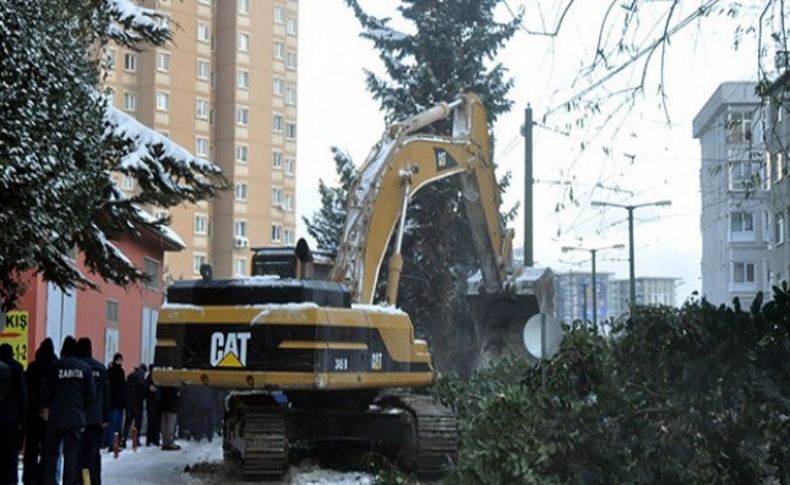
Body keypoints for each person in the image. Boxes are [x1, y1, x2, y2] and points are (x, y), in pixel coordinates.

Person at [40, 336, 94, 485]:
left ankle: (49, 482)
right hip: (75, 418)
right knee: (71, 457)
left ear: (63, 349)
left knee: (51, 455)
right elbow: (90, 396)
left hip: (55, 418)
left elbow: (44, 393)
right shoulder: (85, 369)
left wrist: (46, 407)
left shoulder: (54, 367)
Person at [23, 338, 57, 485]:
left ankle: (30, 478)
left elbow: (27, 392)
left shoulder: (32, 368)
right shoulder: (55, 369)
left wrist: (35, 408)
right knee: (48, 451)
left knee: (31, 450)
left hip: (32, 416)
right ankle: (46, 478)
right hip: (50, 417)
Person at [76, 338, 108, 485]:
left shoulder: (78, 368)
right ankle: (93, 481)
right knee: (93, 454)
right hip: (96, 419)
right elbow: (107, 395)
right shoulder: (100, 368)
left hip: (78, 417)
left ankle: (80, 481)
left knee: (78, 455)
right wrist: (105, 417)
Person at [0, 343, 28, 485]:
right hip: (12, 421)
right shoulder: (17, 369)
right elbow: (23, 397)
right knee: (11, 457)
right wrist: (24, 422)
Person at [122, 364, 146, 448]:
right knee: (137, 424)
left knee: (127, 423)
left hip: (129, 403)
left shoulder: (130, 376)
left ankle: (123, 439)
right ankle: (135, 441)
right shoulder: (141, 376)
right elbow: (142, 387)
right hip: (137, 404)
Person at [106, 353, 125, 452]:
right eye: (118, 360)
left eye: (120, 360)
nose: (119, 362)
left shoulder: (121, 372)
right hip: (113, 403)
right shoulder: (111, 372)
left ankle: (116, 444)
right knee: (113, 425)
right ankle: (111, 445)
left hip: (119, 403)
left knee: (117, 426)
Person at [144, 367, 161, 447]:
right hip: (152, 402)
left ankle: (155, 439)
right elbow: (146, 387)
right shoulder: (150, 377)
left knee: (156, 422)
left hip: (156, 402)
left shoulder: (156, 377)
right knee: (152, 421)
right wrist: (150, 388)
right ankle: (150, 439)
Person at [159, 386, 180, 451]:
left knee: (164, 425)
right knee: (170, 425)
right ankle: (170, 442)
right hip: (172, 404)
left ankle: (165, 442)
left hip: (163, 403)